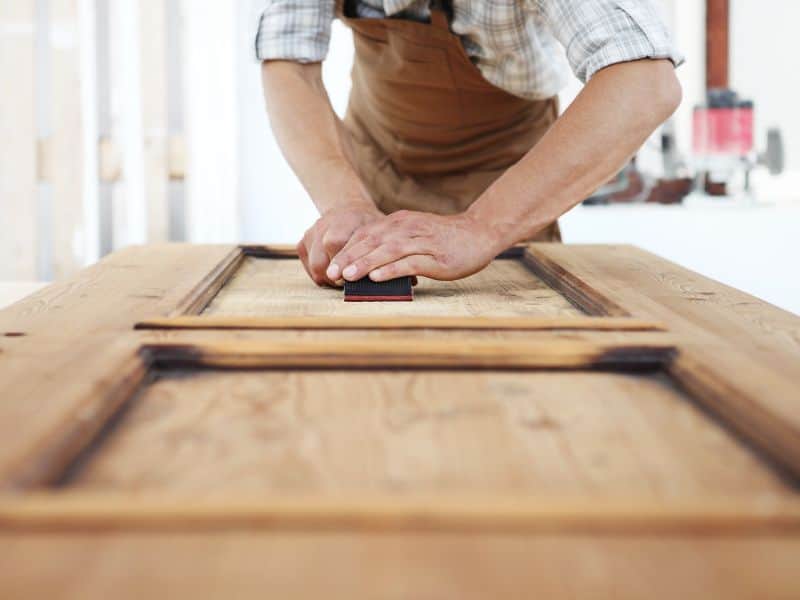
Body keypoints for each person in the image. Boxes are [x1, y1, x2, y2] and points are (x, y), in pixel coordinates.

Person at [257, 0, 682, 286]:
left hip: (506, 172)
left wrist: (481, 227)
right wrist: (344, 203)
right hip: (373, 161)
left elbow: (645, 81)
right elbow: (289, 62)